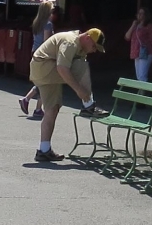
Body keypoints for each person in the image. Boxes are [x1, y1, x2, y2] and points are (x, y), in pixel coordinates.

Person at [28, 28, 104, 164]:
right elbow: (62, 68)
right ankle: (88, 105)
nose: (94, 50)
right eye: (94, 46)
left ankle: (43, 150)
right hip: (44, 66)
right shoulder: (70, 42)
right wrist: (79, 90)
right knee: (82, 65)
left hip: (42, 68)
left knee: (52, 108)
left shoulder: (80, 47)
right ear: (87, 38)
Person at [126, 7, 152, 83]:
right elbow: (127, 37)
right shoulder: (135, 26)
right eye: (138, 13)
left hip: (146, 52)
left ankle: (143, 90)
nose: (139, 15)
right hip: (136, 52)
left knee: (142, 76)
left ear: (146, 15)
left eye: (141, 13)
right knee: (138, 76)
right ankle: (141, 89)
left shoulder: (149, 26)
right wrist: (132, 25)